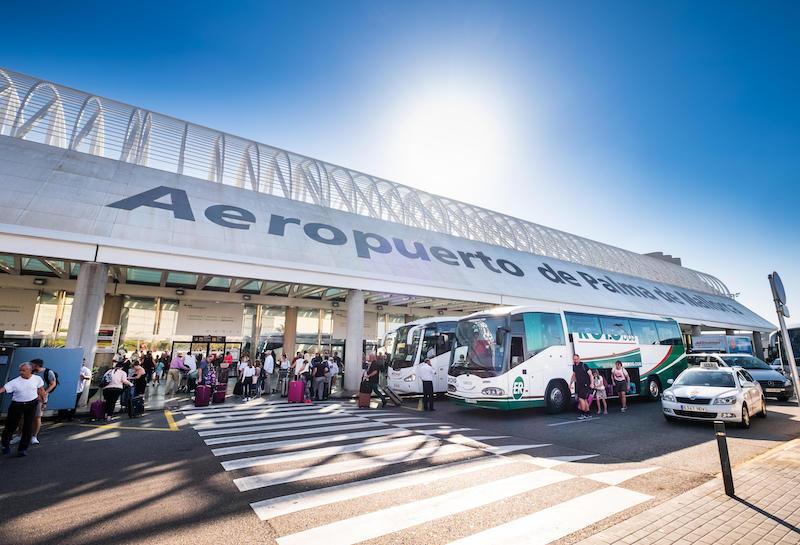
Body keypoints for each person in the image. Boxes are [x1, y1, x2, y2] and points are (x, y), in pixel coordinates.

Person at [1, 363, 46, 456]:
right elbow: (4, 389)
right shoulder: (15, 382)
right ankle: (5, 445)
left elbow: (41, 390)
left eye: (23, 370)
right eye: (20, 370)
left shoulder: (37, 379)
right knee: (10, 426)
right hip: (17, 405)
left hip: (31, 404)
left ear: (30, 370)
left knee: (28, 426)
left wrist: (44, 401)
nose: (21, 372)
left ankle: (22, 449)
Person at [29, 358, 56, 445]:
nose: (30, 366)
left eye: (32, 364)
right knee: (23, 416)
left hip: (41, 397)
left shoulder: (48, 372)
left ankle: (34, 436)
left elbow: (53, 383)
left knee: (37, 416)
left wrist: (45, 392)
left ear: (36, 365)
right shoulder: (31, 371)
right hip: (28, 396)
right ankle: (20, 434)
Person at [569, 354, 592, 420]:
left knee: (581, 399)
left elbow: (590, 375)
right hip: (579, 385)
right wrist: (570, 383)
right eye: (574, 359)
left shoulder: (584, 365)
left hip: (585, 384)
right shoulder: (574, 366)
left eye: (576, 359)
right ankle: (588, 413)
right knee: (584, 399)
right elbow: (574, 375)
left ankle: (583, 414)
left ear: (579, 358)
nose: (575, 360)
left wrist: (592, 383)